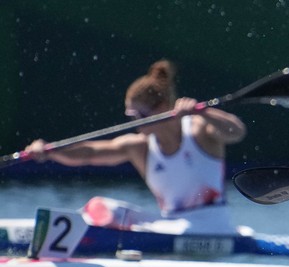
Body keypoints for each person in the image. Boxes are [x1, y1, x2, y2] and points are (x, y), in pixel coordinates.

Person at [24, 59, 247, 234]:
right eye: (131, 116)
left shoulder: (198, 129)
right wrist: (51, 151)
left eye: (140, 115)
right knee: (102, 207)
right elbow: (90, 153)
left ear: (161, 108)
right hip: (171, 225)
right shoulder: (139, 147)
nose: (135, 122)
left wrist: (204, 111)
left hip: (212, 226)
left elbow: (237, 131)